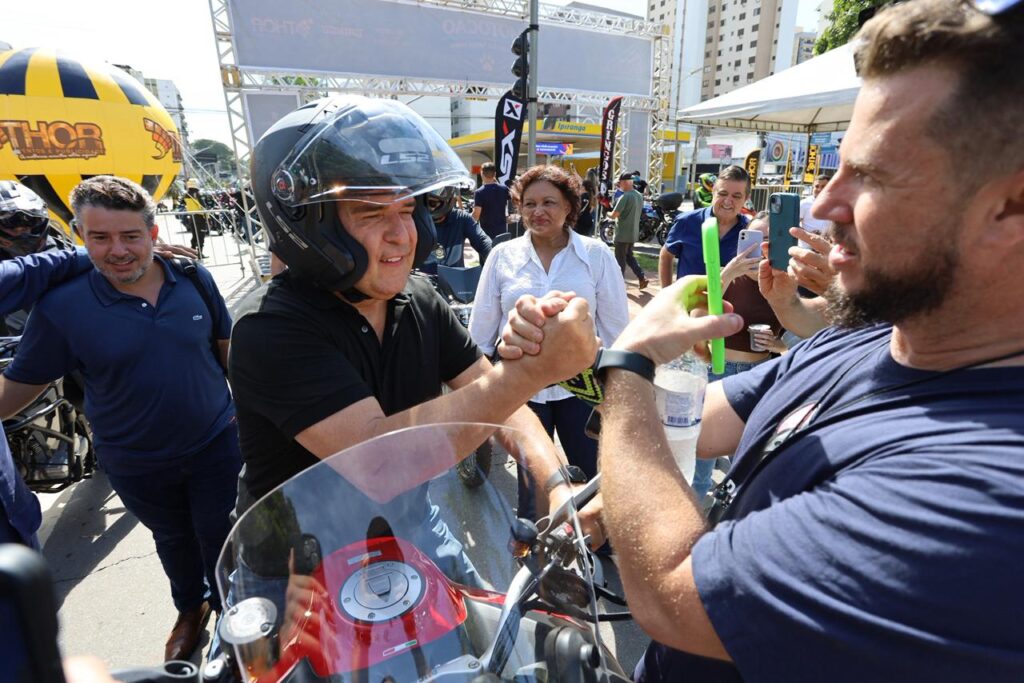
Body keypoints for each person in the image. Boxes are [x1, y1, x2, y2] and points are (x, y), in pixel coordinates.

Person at [504, 1, 1024, 679]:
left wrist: (631, 359)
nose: (825, 207)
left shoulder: (986, 488)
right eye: (837, 168)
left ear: (1008, 207)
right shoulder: (875, 339)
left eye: (871, 176)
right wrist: (574, 362)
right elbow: (697, 414)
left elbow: (672, 593)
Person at [230, 97, 601, 558]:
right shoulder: (269, 328)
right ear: (306, 225)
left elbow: (500, 402)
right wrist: (530, 372)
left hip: (412, 531)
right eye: (371, 213)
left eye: (407, 211)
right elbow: (380, 464)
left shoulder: (421, 298)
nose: (402, 236)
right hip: (302, 563)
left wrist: (557, 486)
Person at [0, 176, 239, 662]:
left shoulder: (193, 278)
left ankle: (234, 614)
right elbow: (20, 388)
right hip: (137, 462)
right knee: (173, 539)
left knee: (225, 534)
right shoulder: (63, 306)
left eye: (130, 236)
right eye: (100, 238)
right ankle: (190, 610)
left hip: (217, 442)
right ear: (79, 237)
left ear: (154, 234)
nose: (118, 251)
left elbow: (228, 353)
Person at [469, 165, 628, 516]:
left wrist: (617, 389)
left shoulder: (596, 255)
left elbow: (617, 329)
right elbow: (481, 330)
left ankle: (595, 552)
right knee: (533, 485)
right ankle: (536, 558)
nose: (538, 212)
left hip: (582, 390)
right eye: (529, 204)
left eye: (549, 203)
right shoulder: (502, 256)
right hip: (522, 392)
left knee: (592, 477)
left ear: (570, 207)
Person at [659, 165, 755, 500]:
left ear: (746, 198)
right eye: (723, 193)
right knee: (688, 407)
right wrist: (665, 292)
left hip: (731, 332)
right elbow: (666, 254)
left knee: (721, 403)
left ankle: (712, 462)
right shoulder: (690, 222)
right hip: (690, 326)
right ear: (713, 191)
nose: (729, 201)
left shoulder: (749, 231)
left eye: (737, 196)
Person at [419, 186, 492, 274]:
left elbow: (482, 241)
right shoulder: (418, 220)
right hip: (423, 283)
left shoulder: (461, 218)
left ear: (448, 200)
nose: (431, 207)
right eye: (427, 202)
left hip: (455, 282)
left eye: (433, 203)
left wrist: (492, 254)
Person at [608, 172, 649, 289]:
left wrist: (607, 213)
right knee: (629, 256)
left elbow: (614, 215)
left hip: (622, 234)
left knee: (620, 261)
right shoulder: (638, 195)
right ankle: (642, 278)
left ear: (625, 183)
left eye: (619, 183)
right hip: (633, 232)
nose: (618, 185)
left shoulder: (624, 197)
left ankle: (618, 286)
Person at [472, 161, 515, 239]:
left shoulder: (479, 192)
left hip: (486, 233)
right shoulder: (504, 189)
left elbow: (476, 215)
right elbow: (515, 201)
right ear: (495, 174)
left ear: (482, 174)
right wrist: (511, 216)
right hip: (502, 231)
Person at [798, 173, 832, 247]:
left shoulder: (835, 204)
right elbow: (794, 224)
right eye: (816, 186)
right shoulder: (804, 203)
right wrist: (809, 235)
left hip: (826, 247)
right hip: (806, 247)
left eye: (823, 186)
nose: (819, 189)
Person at [183, 180, 208, 259]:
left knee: (194, 235)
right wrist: (207, 217)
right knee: (201, 236)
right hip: (200, 217)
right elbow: (203, 206)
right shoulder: (197, 194)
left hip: (192, 217)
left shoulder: (186, 194)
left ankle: (192, 252)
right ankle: (200, 253)